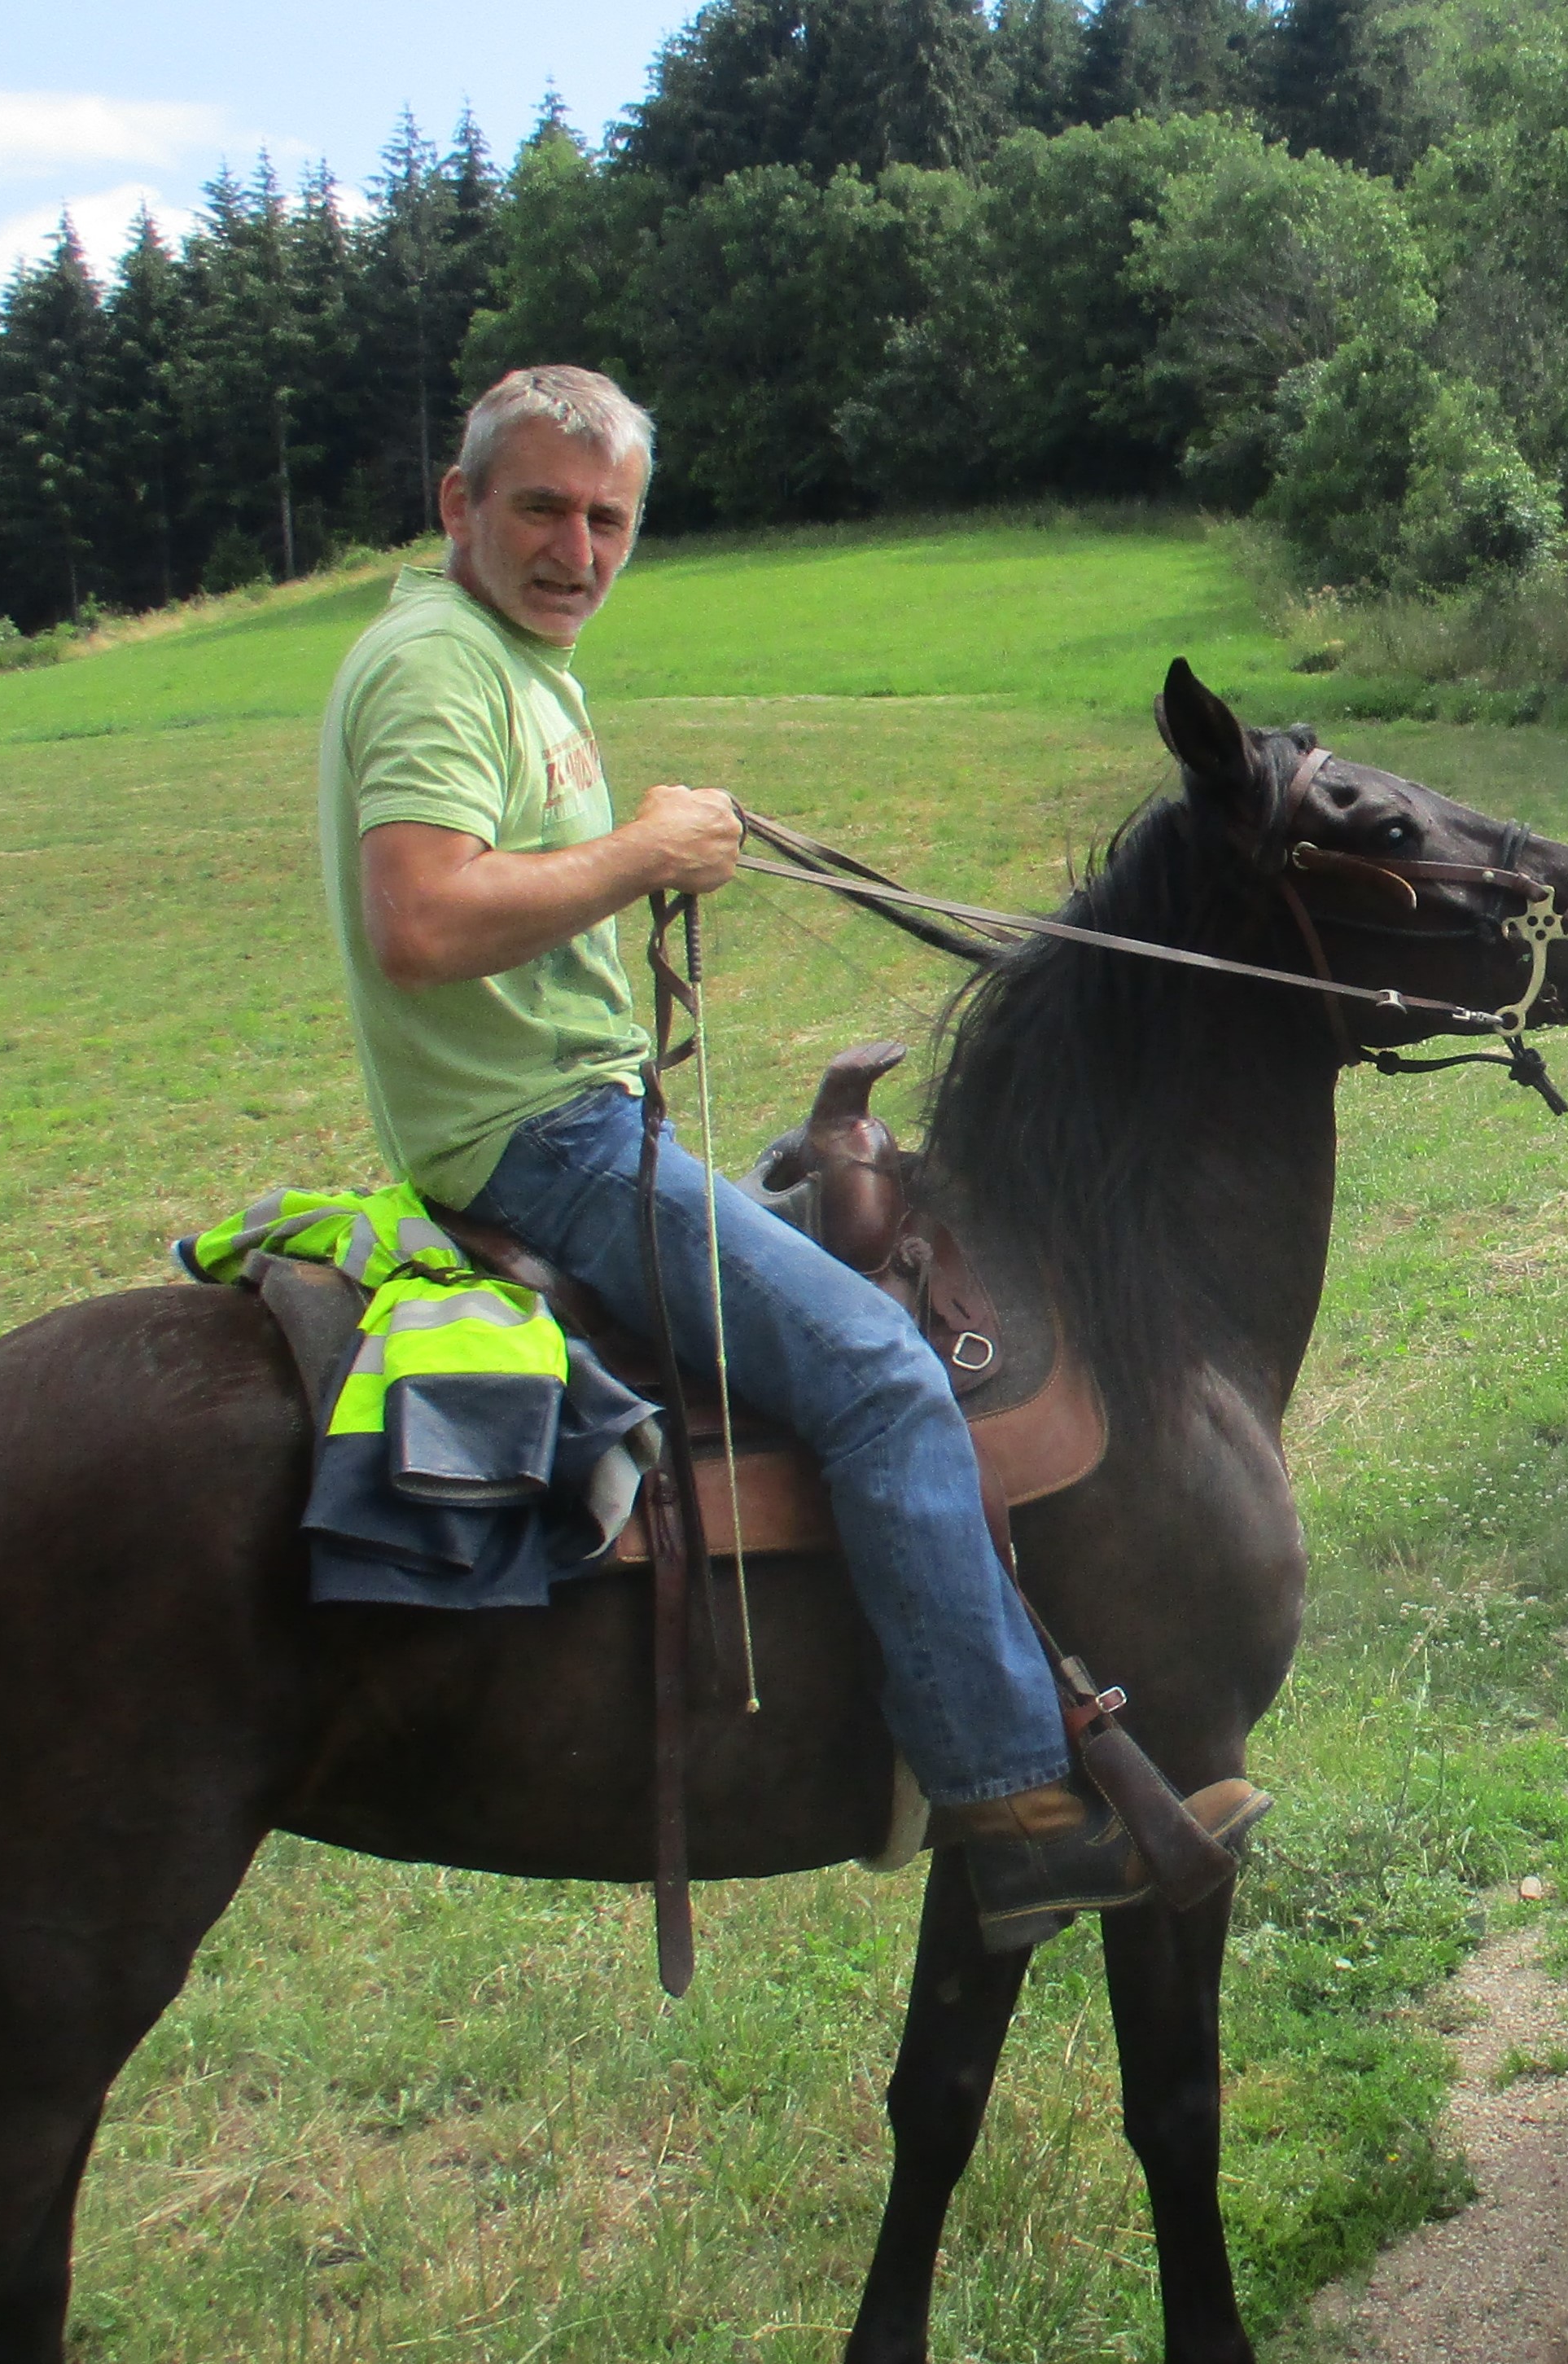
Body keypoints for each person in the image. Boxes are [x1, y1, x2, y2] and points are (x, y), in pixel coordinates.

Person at [318, 365, 1137, 1952]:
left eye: (607, 517)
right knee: (877, 1370)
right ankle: (1013, 1798)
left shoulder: (507, 654)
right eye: (542, 507)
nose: (577, 547)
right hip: (539, 1138)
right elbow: (417, 917)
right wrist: (642, 853)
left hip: (571, 1108)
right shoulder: (437, 662)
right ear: (456, 505)